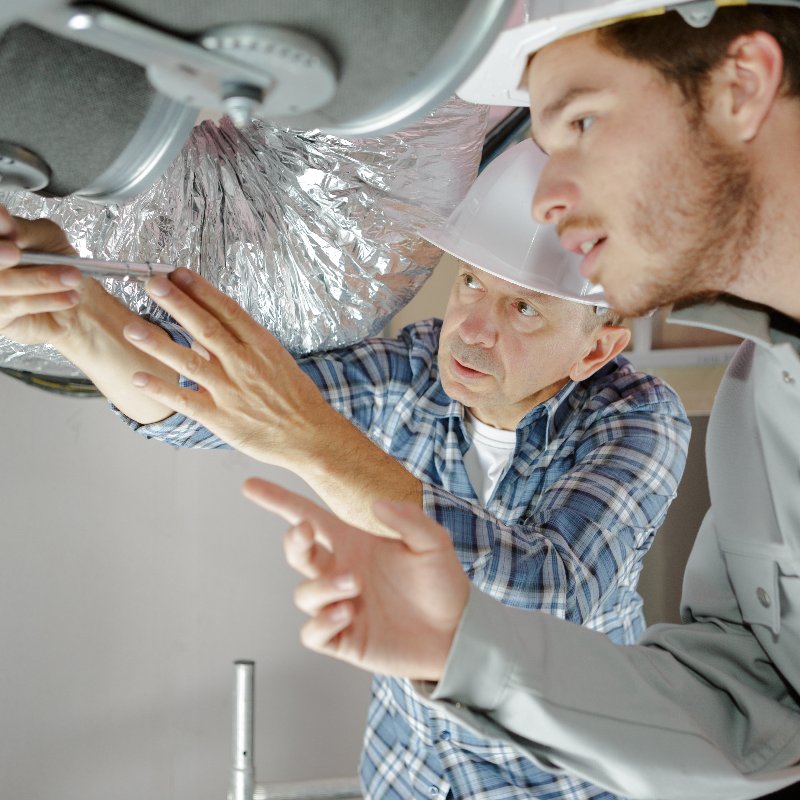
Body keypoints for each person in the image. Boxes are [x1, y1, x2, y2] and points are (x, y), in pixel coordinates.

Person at [0, 140, 689, 799]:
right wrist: (76, 312)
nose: (473, 328)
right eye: (472, 283)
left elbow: (549, 598)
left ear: (596, 350)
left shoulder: (637, 419)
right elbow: (208, 403)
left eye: (525, 309)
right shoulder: (416, 372)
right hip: (406, 777)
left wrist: (312, 441)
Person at [255, 2, 800, 799]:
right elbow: (754, 710)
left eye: (581, 122)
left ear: (742, 83)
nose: (545, 201)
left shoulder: (638, 414)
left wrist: (309, 442)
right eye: (544, 147)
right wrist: (459, 652)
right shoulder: (762, 401)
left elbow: (557, 582)